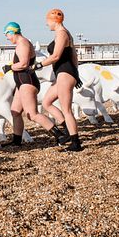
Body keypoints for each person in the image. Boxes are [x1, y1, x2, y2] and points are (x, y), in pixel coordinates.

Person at [1, 22, 70, 148]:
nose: (7, 37)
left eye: (7, 34)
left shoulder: (23, 44)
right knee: (15, 111)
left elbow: (23, 64)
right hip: (21, 84)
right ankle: (16, 141)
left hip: (27, 82)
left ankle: (60, 135)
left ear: (12, 32)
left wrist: (9, 67)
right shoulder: (21, 44)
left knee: (32, 114)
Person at [33, 9, 84, 151]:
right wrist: (76, 73)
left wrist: (38, 65)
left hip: (65, 74)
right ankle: (67, 131)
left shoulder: (62, 34)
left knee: (66, 110)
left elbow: (55, 56)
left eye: (47, 21)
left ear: (54, 20)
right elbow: (74, 55)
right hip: (66, 73)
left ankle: (76, 142)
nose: (46, 24)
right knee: (46, 102)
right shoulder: (63, 33)